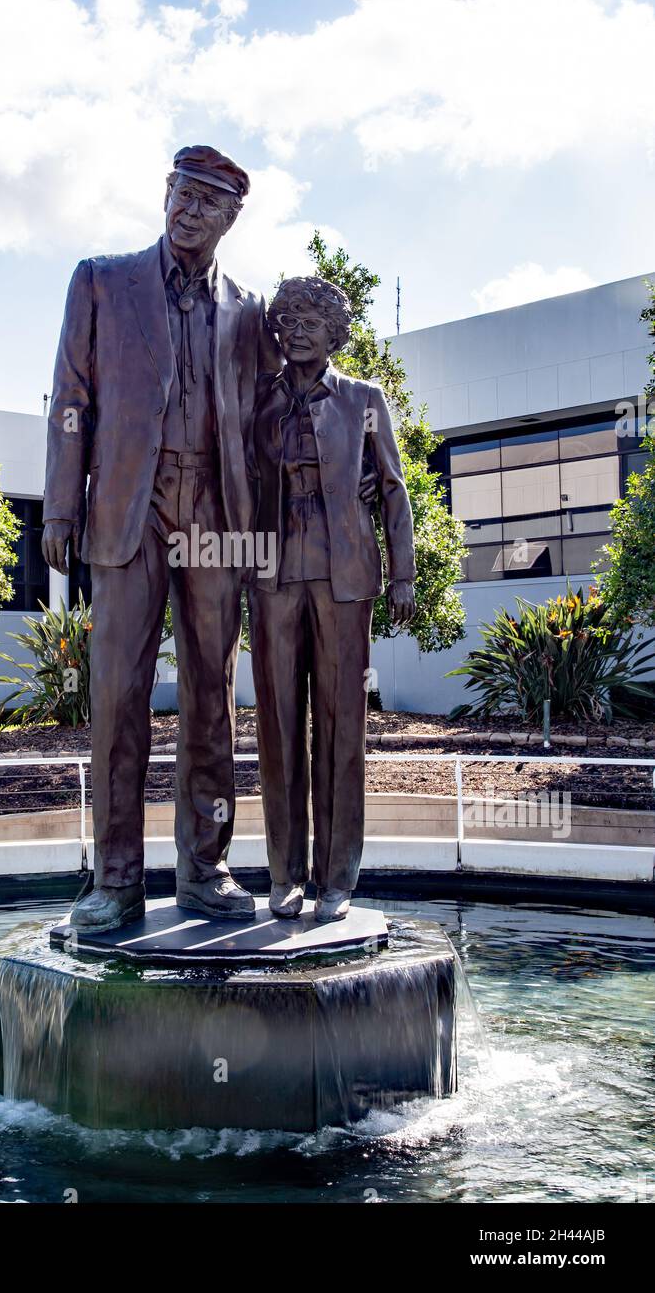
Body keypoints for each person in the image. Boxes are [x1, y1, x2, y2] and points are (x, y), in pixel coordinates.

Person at [42, 145, 279, 933]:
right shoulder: (102, 281)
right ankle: (114, 878)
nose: (186, 211)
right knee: (117, 694)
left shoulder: (250, 311)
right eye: (180, 193)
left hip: (215, 509)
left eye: (206, 203)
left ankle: (206, 869)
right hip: (128, 507)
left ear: (230, 219)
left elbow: (268, 425)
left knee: (212, 693)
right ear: (166, 193)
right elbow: (71, 399)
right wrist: (60, 509)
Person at [249, 275, 416, 923]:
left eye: (309, 323)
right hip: (273, 578)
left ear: (333, 333)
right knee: (279, 729)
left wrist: (403, 575)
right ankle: (285, 876)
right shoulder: (257, 403)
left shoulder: (363, 399)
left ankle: (336, 876)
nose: (295, 332)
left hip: (345, 576)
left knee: (342, 729)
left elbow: (395, 490)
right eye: (287, 322)